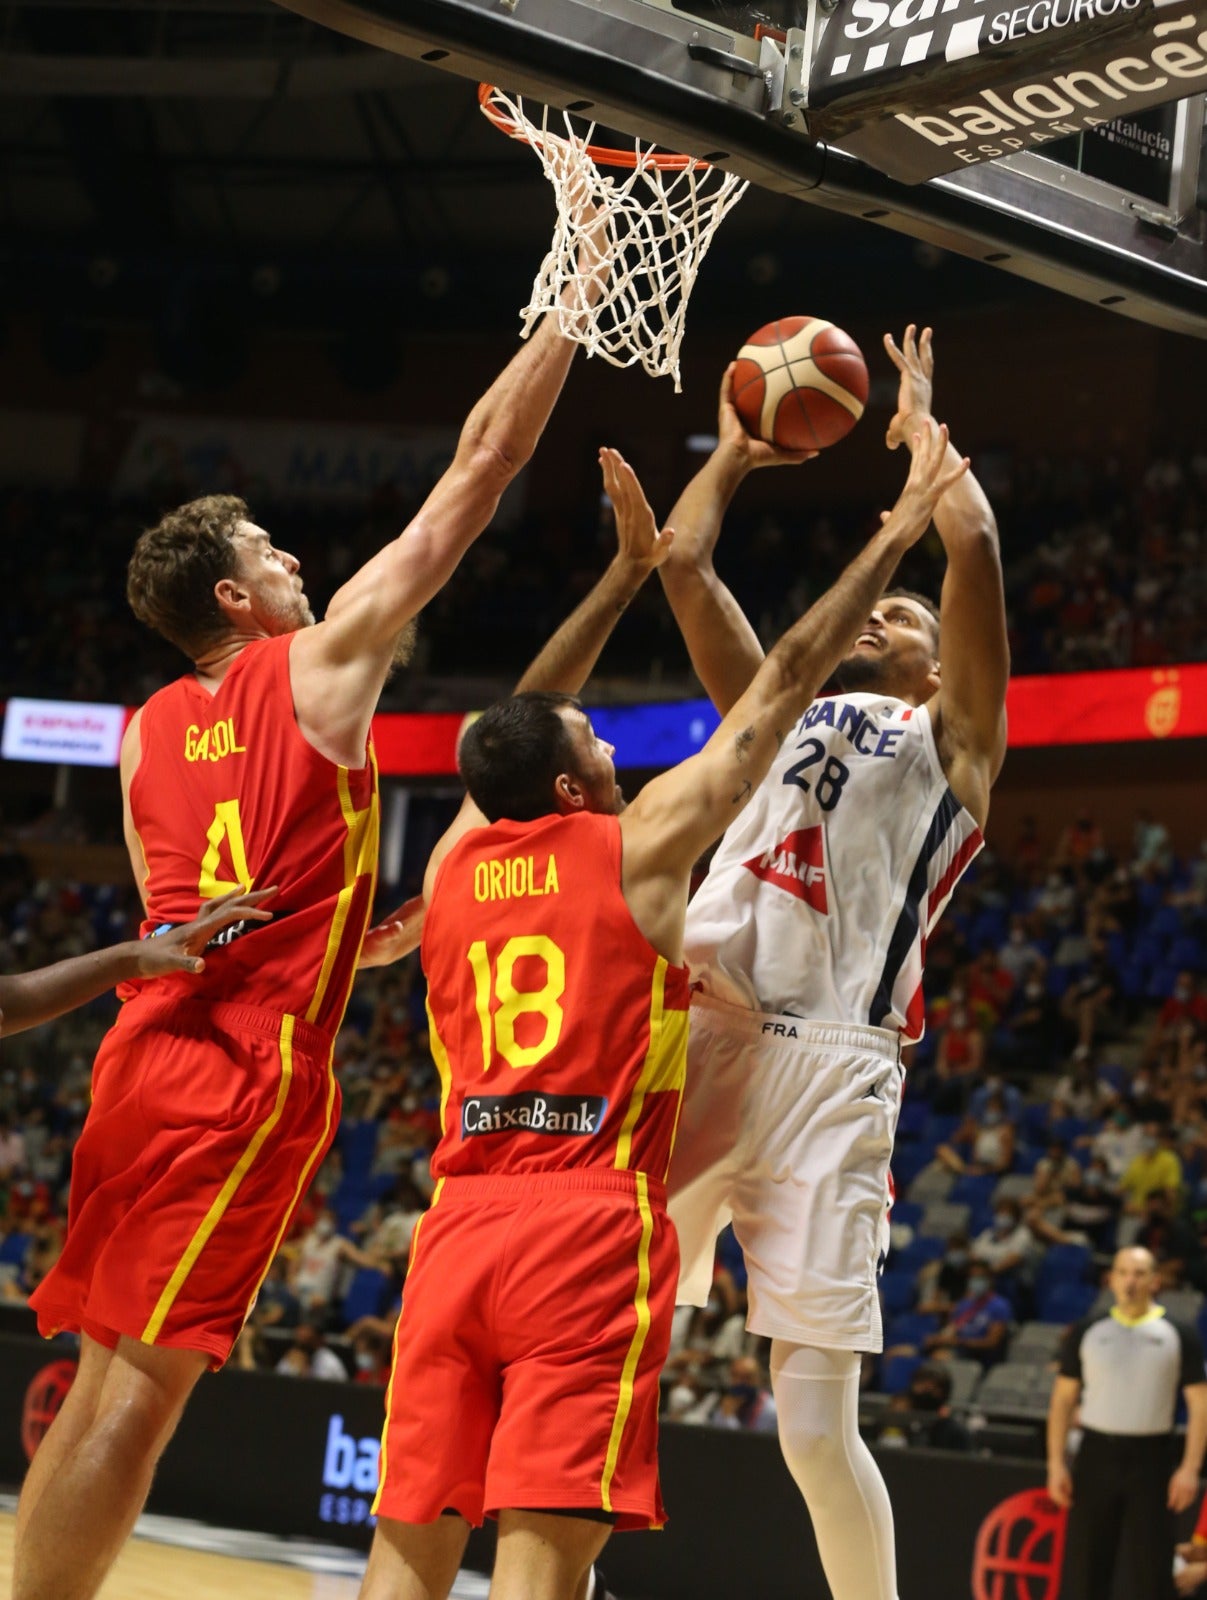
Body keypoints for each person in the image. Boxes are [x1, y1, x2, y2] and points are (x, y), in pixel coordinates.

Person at [14, 272, 605, 1600]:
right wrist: (569, 296)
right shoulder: (321, 666)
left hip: (137, 1059)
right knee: (144, 1399)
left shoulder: (138, 732)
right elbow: (482, 465)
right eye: (272, 553)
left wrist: (348, 940)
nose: (296, 564)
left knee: (105, 1366)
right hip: (239, 1078)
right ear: (234, 601)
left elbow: (199, 897)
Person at [358, 427, 966, 1600]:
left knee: (413, 1534)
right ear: (577, 786)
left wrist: (643, 558)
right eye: (598, 741)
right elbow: (780, 676)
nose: (612, 742)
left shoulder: (454, 862)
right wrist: (893, 528)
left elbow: (525, 723)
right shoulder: (636, 844)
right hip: (589, 1207)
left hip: (463, 1209)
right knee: (545, 1540)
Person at [659, 324, 1008, 1600]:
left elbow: (968, 550)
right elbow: (688, 574)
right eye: (880, 606)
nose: (887, 619)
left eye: (904, 615)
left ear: (934, 660)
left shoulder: (955, 748)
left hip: (835, 1067)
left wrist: (922, 433)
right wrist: (740, 452)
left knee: (811, 1426)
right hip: (697, 1032)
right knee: (603, 1342)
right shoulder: (787, 704)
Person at [1048, 1246, 1207, 1600]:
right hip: (1095, 1454)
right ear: (1111, 1279)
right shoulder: (1089, 1330)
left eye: (1138, 1273)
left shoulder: (1178, 1334)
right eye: (1122, 1272)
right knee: (1087, 1564)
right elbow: (1062, 1400)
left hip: (1152, 1458)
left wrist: (1190, 1468)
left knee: (1151, 1568)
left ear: (1155, 1280)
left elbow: (1200, 1405)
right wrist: (1057, 1463)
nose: (1130, 1281)